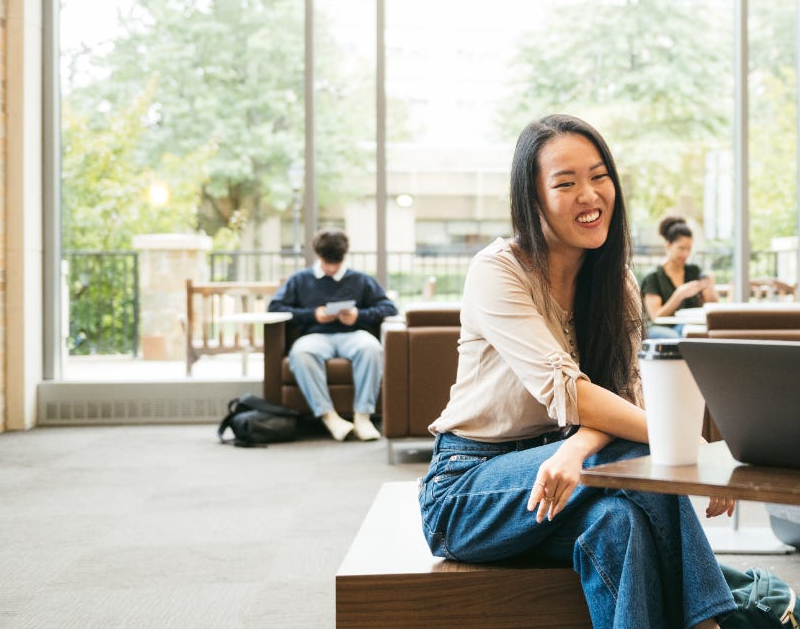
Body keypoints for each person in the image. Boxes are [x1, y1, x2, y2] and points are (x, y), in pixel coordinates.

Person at [420, 114, 737, 629]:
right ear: (533, 197)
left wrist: (577, 447)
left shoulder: (618, 282)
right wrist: (691, 453)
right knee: (641, 449)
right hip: (471, 490)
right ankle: (710, 625)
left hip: (567, 479)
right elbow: (567, 392)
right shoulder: (498, 270)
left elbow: (622, 400)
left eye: (599, 175)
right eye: (565, 183)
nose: (589, 195)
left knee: (621, 526)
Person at [268, 228, 397, 442]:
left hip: (353, 334)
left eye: (336, 263)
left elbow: (389, 308)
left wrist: (359, 315)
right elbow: (275, 307)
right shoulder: (300, 280)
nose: (331, 268)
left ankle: (362, 416)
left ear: (343, 257)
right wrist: (313, 315)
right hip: (316, 336)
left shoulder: (360, 280)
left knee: (371, 348)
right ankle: (329, 416)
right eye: (327, 262)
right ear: (318, 256)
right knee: (301, 353)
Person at [640, 216, 719, 339]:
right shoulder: (653, 277)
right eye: (681, 248)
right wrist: (679, 294)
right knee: (679, 336)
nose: (686, 254)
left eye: (689, 249)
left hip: (687, 326)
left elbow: (712, 304)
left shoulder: (693, 271)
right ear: (668, 246)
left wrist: (709, 287)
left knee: (693, 332)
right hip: (661, 329)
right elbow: (656, 316)